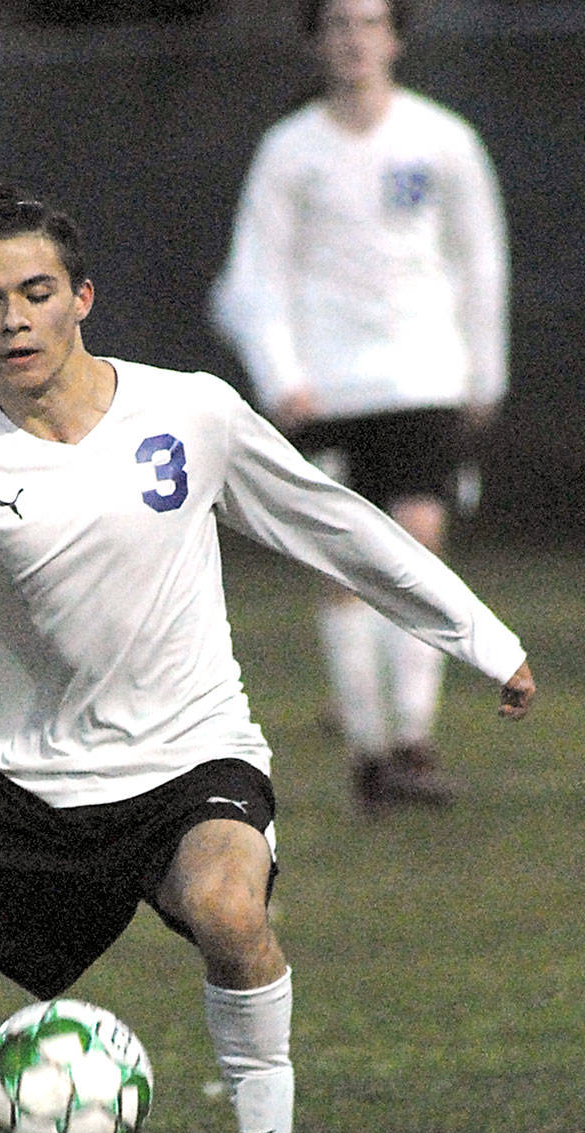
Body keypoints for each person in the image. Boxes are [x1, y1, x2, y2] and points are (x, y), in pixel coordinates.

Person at [0, 183, 534, 1133]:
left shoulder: (190, 412)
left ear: (80, 297)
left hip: (193, 760)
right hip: (35, 799)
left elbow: (333, 526)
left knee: (227, 908)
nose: (14, 319)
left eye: (35, 292)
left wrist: (480, 639)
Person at [210, 0, 509, 815]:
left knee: (420, 541)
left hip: (422, 378)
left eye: (370, 22)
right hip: (328, 386)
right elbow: (254, 276)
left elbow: (479, 258)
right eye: (338, 23)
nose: (355, 38)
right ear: (316, 41)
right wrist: (281, 373)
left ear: (396, 36)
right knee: (345, 565)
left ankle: (413, 741)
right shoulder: (290, 151)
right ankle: (369, 753)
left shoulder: (443, 140)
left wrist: (485, 369)